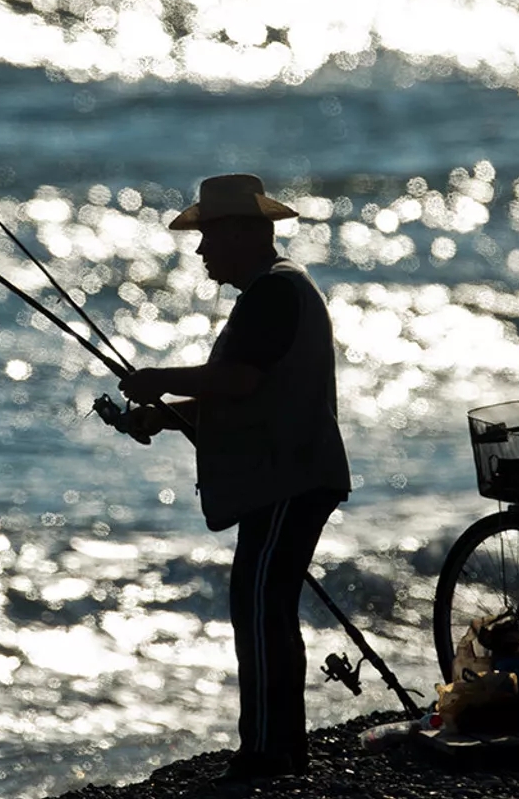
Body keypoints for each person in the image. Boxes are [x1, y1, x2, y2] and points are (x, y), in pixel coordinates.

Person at [116, 173, 352, 793]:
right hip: (288, 474)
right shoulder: (273, 292)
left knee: (260, 606)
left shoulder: (274, 293)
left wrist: (158, 379)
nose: (201, 252)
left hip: (292, 477)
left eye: (210, 237)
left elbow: (240, 381)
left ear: (248, 232)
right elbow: (247, 391)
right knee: (261, 604)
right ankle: (277, 747)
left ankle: (271, 753)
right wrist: (164, 417)